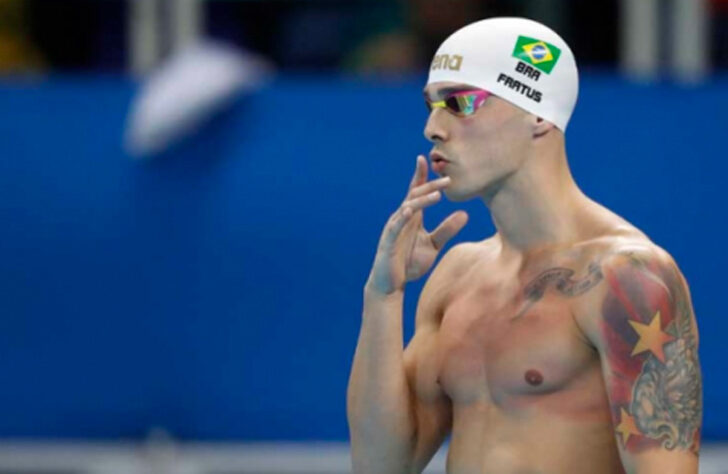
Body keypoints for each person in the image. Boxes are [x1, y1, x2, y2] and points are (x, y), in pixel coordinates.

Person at [347, 17, 702, 473]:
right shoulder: (457, 275)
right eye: (432, 104)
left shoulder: (627, 277)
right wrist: (383, 295)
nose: (433, 128)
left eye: (459, 103)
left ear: (536, 114)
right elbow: (381, 465)